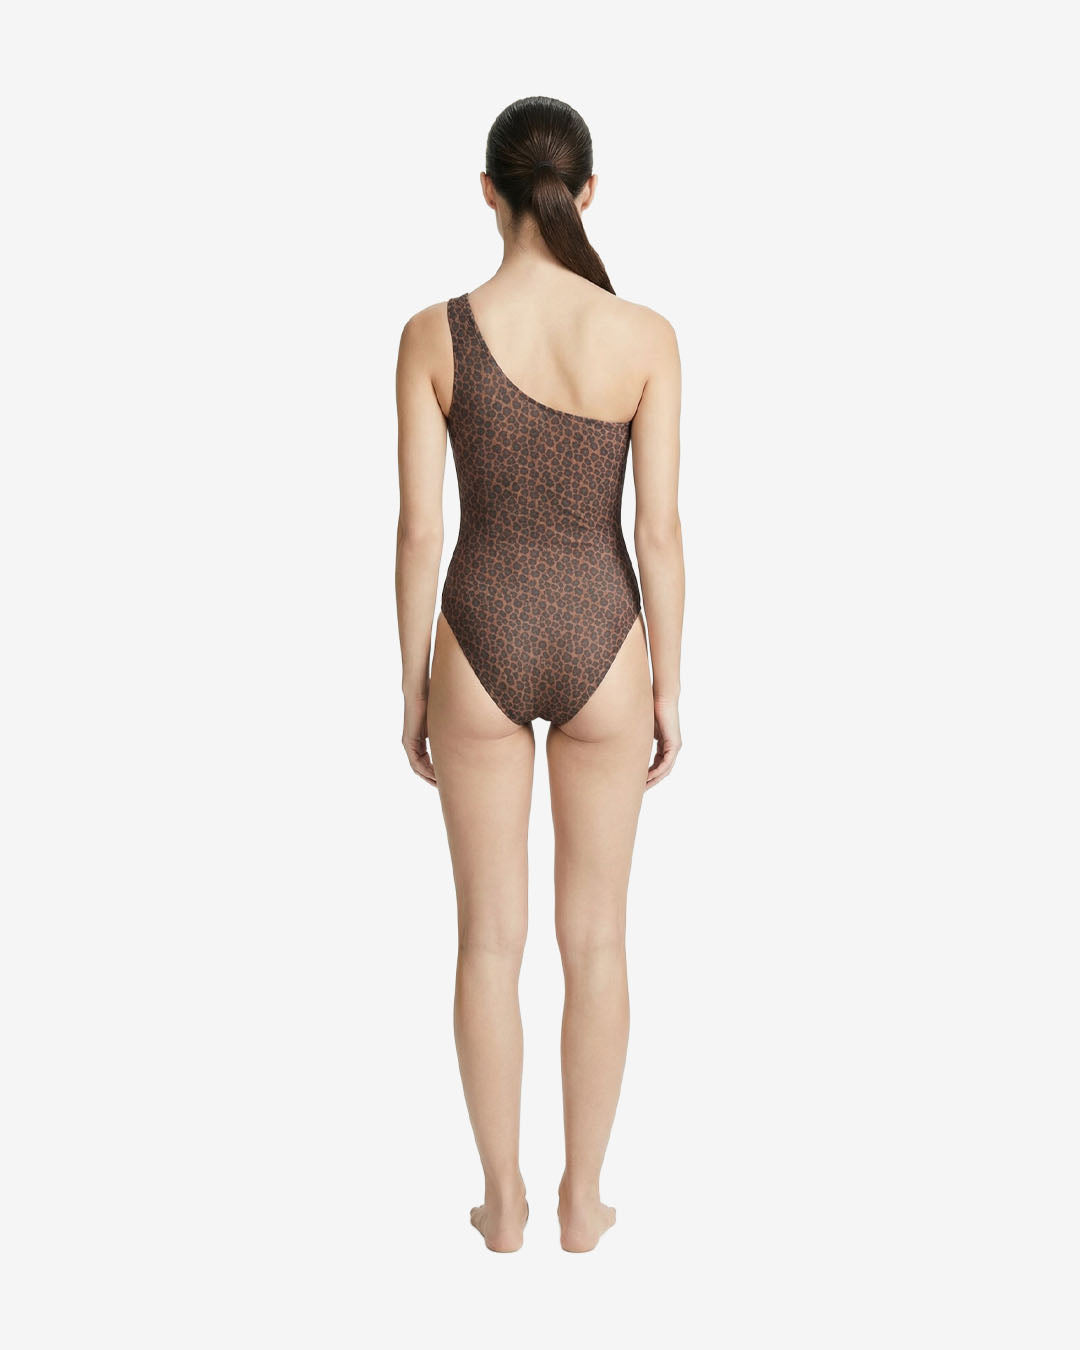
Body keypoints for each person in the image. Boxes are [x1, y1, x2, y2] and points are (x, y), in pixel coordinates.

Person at [394, 95, 685, 1253]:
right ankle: (583, 1201)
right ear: (587, 193)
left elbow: (421, 530)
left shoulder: (433, 333)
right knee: (598, 940)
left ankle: (502, 1202)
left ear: (488, 191)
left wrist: (412, 682)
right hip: (606, 637)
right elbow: (659, 531)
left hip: (478, 632)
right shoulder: (645, 336)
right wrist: (670, 686)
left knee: (487, 942)